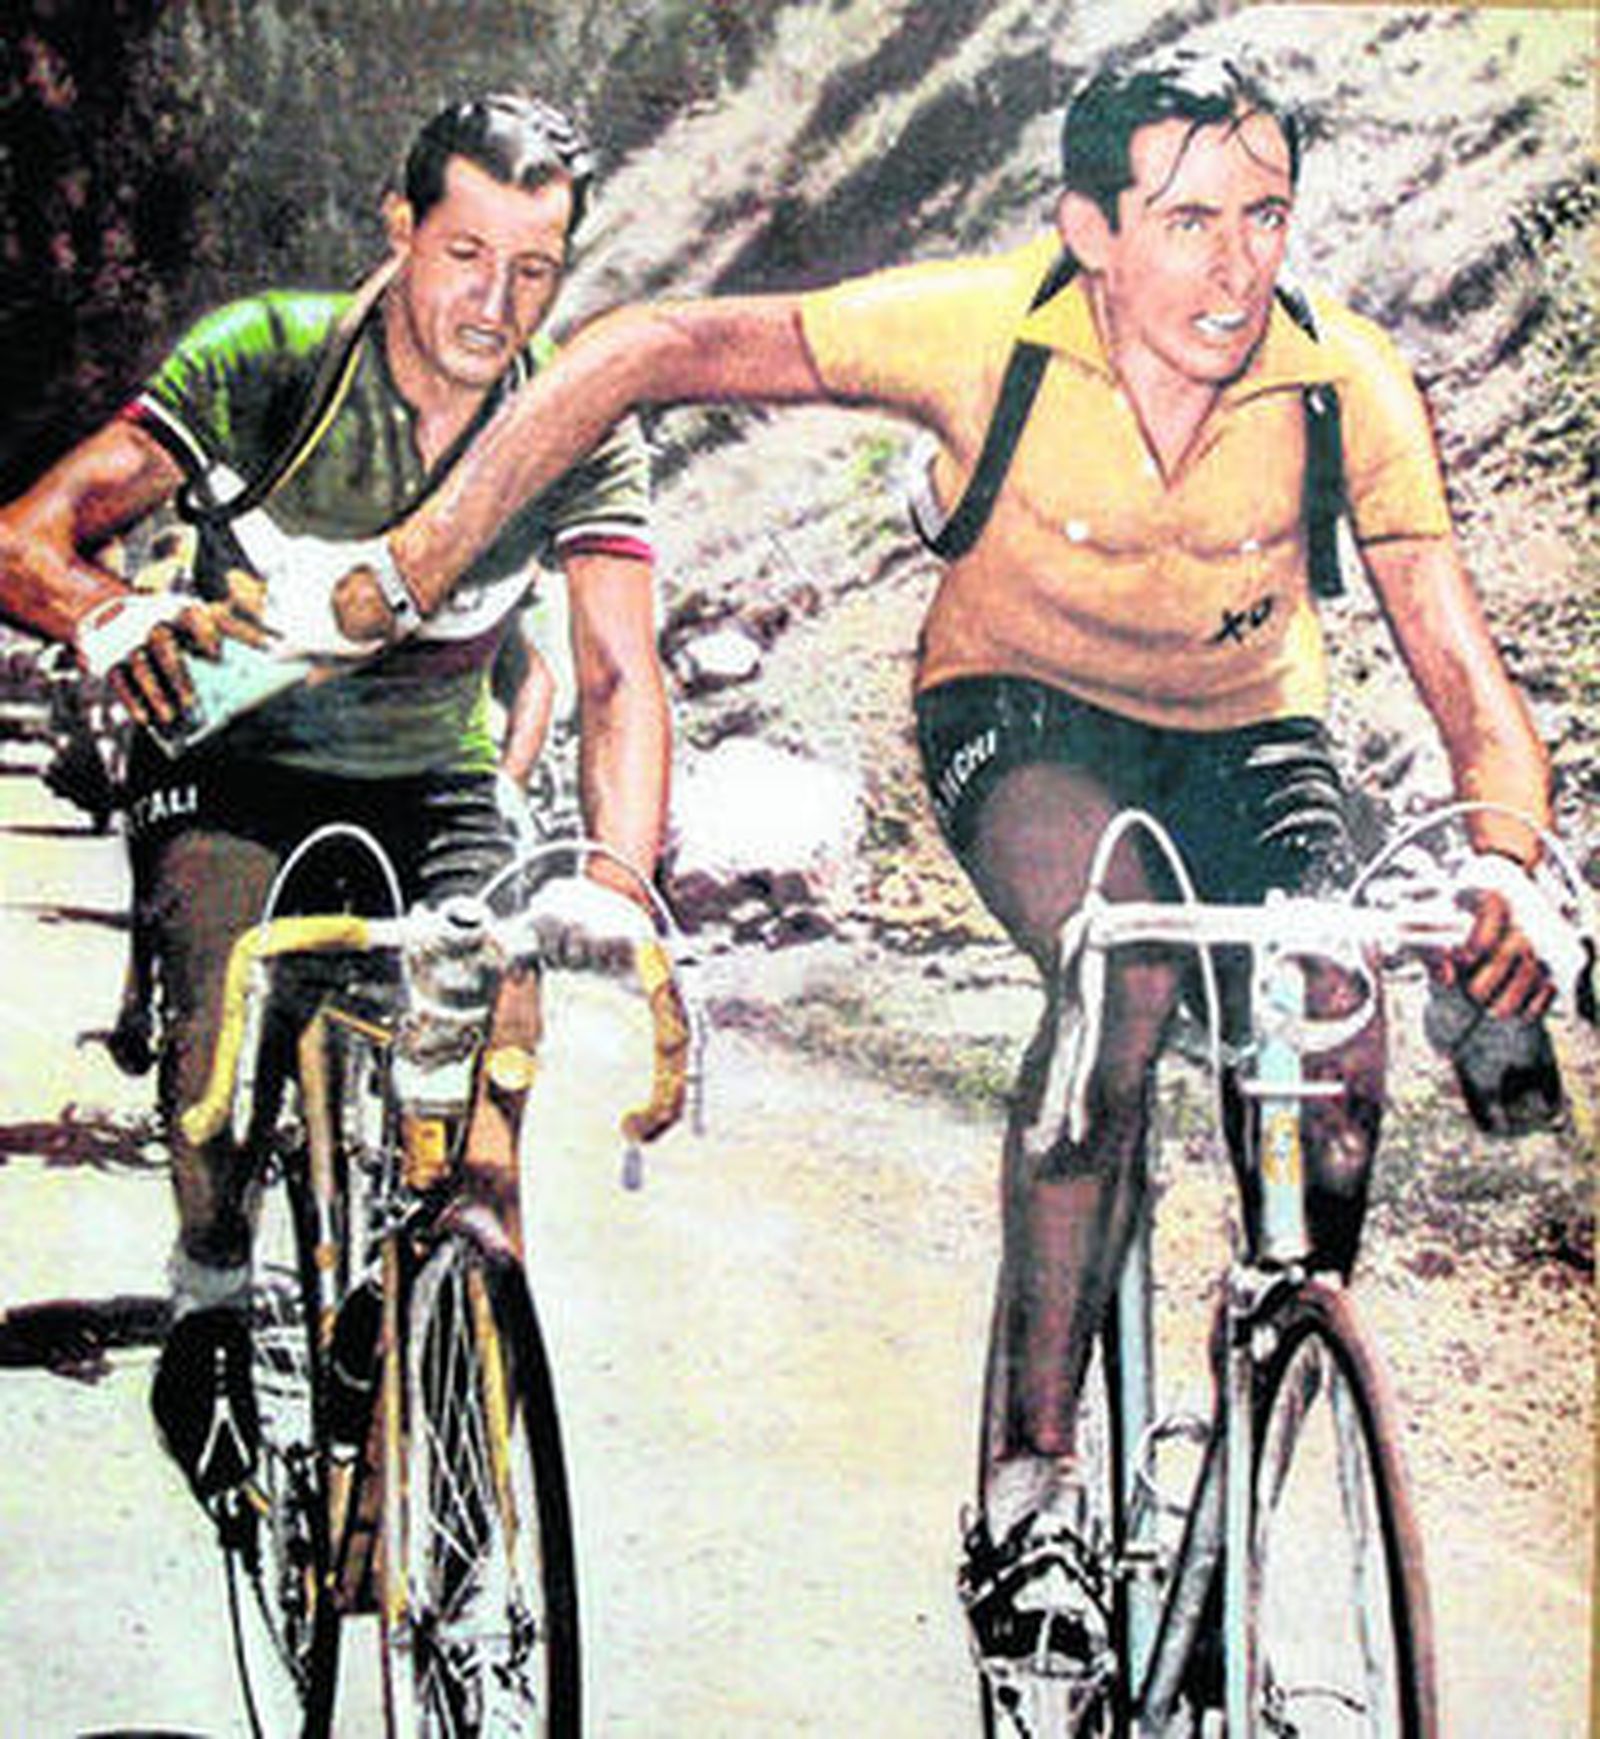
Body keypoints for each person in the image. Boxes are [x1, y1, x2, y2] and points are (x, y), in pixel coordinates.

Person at [289, 52, 1556, 1665]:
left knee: (1339, 1016)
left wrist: (1507, 863)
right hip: (1017, 715)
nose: (1236, 267)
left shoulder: (1341, 382)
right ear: (1089, 231)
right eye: (1186, 222)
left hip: (1251, 734)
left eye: (1265, 217)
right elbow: (650, 348)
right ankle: (1031, 1492)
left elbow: (1469, 685)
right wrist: (416, 560)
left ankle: (1276, 1394)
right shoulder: (977, 330)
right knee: (1121, 974)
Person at [0, 93, 669, 1519]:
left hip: (438, 780)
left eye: (534, 270)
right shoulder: (271, 359)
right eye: (465, 255)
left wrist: (616, 879)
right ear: (400, 228)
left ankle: (455, 1392)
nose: (494, 303)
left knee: (490, 1071)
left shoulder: (571, 419)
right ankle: (210, 1293)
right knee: (220, 1042)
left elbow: (619, 669)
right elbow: (25, 539)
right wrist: (110, 615)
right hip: (238, 770)